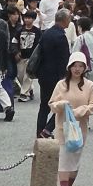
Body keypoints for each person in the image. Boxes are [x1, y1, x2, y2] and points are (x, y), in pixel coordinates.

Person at [48, 52, 93, 186]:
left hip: (80, 128)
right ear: (69, 67)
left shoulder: (89, 85)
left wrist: (81, 110)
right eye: (74, 66)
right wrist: (61, 105)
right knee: (64, 158)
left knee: (74, 159)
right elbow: (51, 104)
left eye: (80, 66)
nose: (77, 69)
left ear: (85, 68)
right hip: (62, 127)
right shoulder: (61, 85)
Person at [33, 8, 72, 139]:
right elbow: (64, 60)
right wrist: (66, 78)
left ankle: (40, 132)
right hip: (56, 76)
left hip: (43, 74)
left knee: (44, 105)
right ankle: (48, 129)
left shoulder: (47, 33)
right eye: (69, 18)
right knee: (63, 104)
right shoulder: (61, 37)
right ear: (65, 20)